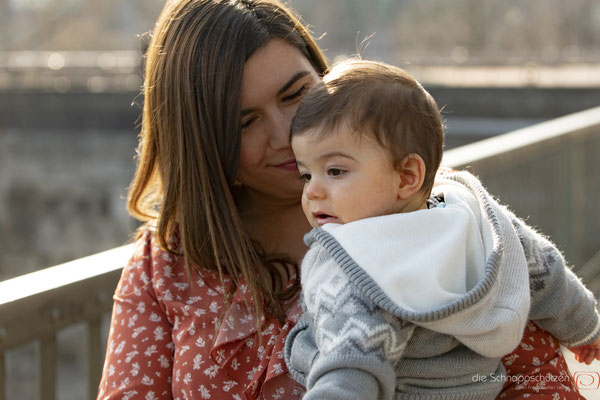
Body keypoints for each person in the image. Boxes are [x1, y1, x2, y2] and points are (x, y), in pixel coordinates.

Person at [96, 1, 592, 399]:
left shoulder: (432, 210)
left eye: (296, 95)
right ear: (203, 144)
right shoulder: (163, 269)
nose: (286, 132)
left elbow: (541, 374)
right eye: (245, 123)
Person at [283, 58, 600, 400]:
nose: (312, 191)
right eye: (306, 174)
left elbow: (351, 364)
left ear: (407, 176)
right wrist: (585, 329)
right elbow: (544, 271)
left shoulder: (361, 265)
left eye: (334, 171)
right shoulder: (470, 215)